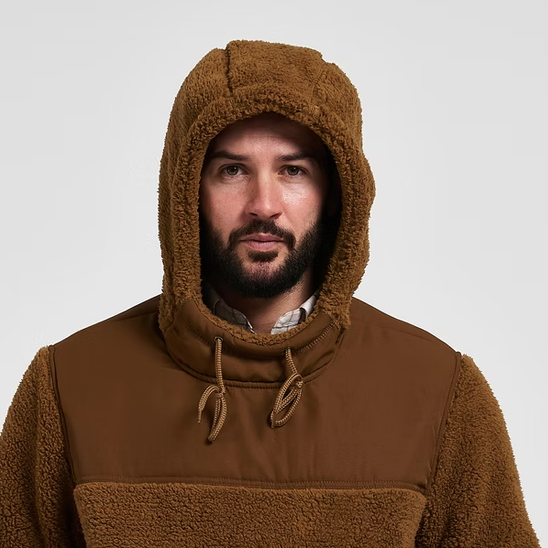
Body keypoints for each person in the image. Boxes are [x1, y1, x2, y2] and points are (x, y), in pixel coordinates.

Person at [0, 40, 539, 547]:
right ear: (186, 190)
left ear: (336, 193)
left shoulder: (440, 394)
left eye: (293, 170)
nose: (263, 203)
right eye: (232, 170)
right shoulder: (67, 386)